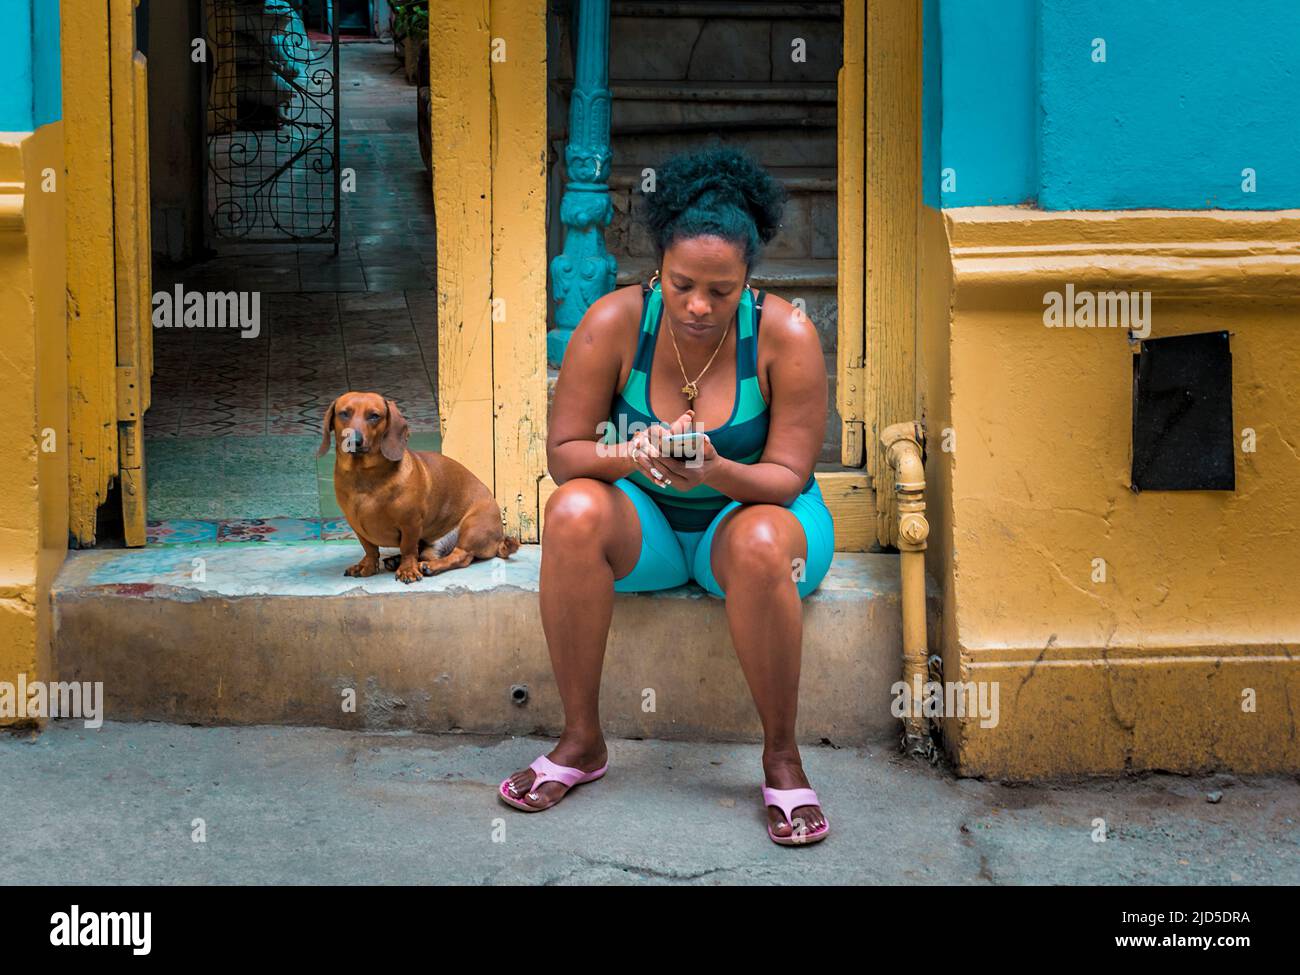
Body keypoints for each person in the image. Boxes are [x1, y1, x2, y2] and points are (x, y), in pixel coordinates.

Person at [499, 147, 835, 846]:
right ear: (658, 267)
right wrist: (631, 453)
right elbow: (565, 458)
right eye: (682, 284)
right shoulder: (614, 322)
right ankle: (582, 741)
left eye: (723, 289)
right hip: (648, 524)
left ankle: (781, 754)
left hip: (753, 517)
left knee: (764, 538)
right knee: (572, 512)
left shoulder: (787, 336)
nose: (699, 305)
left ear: (751, 279)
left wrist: (714, 470)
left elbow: (789, 476)